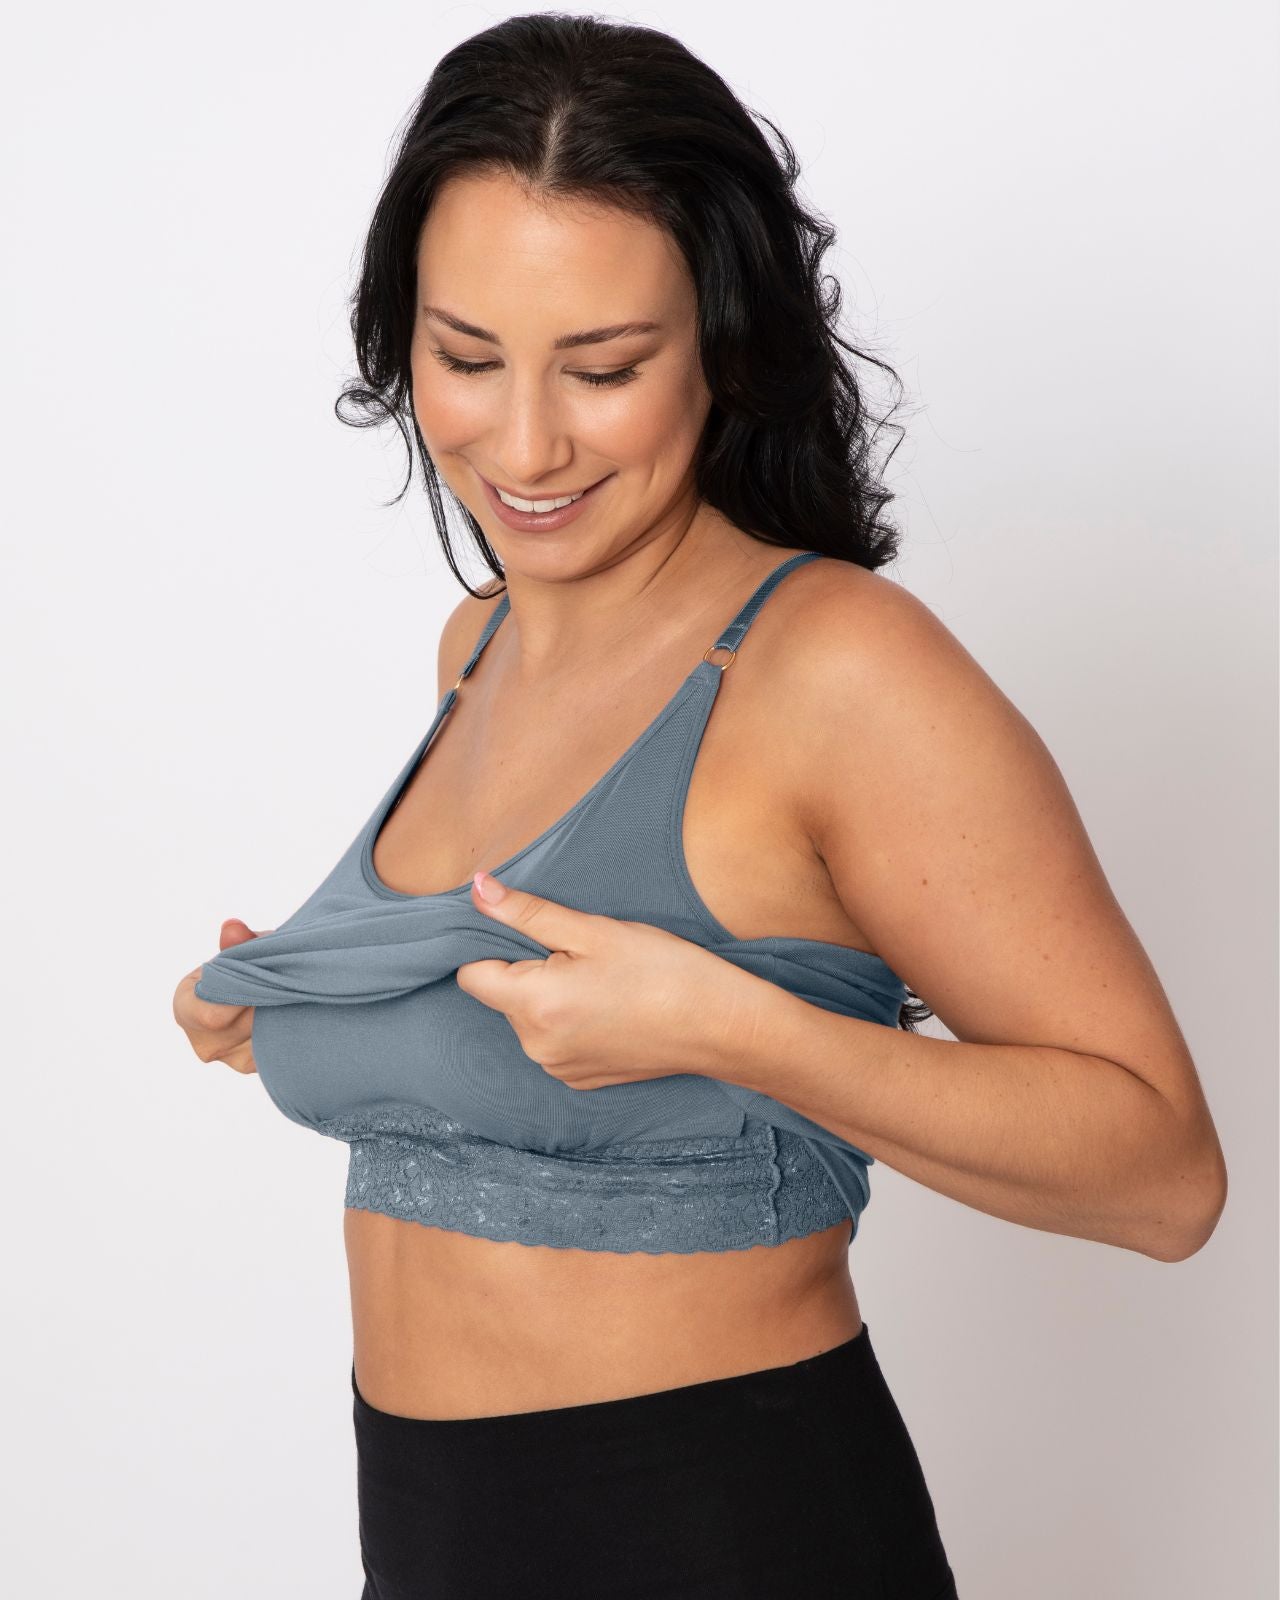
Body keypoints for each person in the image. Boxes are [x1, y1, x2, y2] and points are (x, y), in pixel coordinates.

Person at [173, 14, 1227, 1598]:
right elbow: (513, 1059)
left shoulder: (839, 669)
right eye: (467, 358)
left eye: (602, 368)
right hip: (434, 1537)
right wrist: (299, 999)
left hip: (727, 1529)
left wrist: (733, 1029)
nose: (525, 443)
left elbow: (1162, 1177)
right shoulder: (480, 645)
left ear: (723, 347)